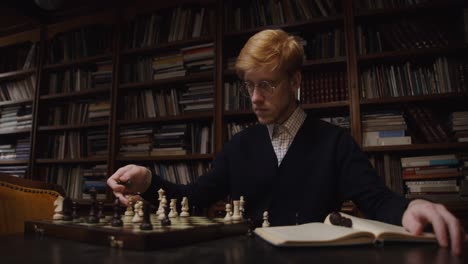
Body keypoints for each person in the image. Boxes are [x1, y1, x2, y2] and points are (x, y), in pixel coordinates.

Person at [108, 29, 465, 255]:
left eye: (267, 85)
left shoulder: (334, 143)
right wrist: (149, 180)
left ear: (295, 81)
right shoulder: (239, 146)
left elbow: (375, 199)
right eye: (249, 85)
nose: (255, 98)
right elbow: (193, 199)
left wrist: (409, 209)